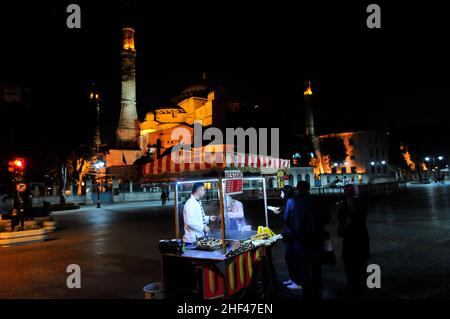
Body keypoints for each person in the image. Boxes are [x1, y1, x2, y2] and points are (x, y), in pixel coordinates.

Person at [291, 181, 329, 299]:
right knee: (316, 266)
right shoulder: (317, 199)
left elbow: (287, 218)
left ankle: (306, 291)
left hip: (300, 237)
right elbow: (327, 216)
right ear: (308, 188)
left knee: (304, 266)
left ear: (297, 188)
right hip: (316, 236)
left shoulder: (293, 201)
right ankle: (317, 290)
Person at [337, 184, 370, 295]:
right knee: (361, 263)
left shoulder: (344, 205)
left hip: (349, 237)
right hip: (361, 236)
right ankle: (362, 286)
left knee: (349, 264)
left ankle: (351, 285)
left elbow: (340, 219)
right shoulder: (362, 203)